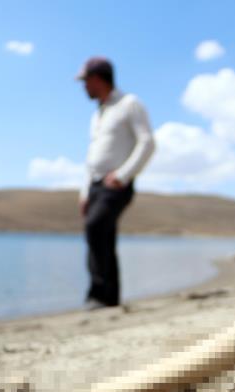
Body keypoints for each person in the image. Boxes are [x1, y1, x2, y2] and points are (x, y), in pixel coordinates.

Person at [76, 57, 155, 309]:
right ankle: (110, 297)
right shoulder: (98, 114)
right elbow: (92, 157)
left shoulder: (129, 104)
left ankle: (99, 293)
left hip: (116, 184)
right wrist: (84, 191)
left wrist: (123, 175)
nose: (83, 87)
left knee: (95, 227)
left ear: (98, 79)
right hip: (95, 185)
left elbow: (147, 142)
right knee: (102, 236)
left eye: (85, 81)